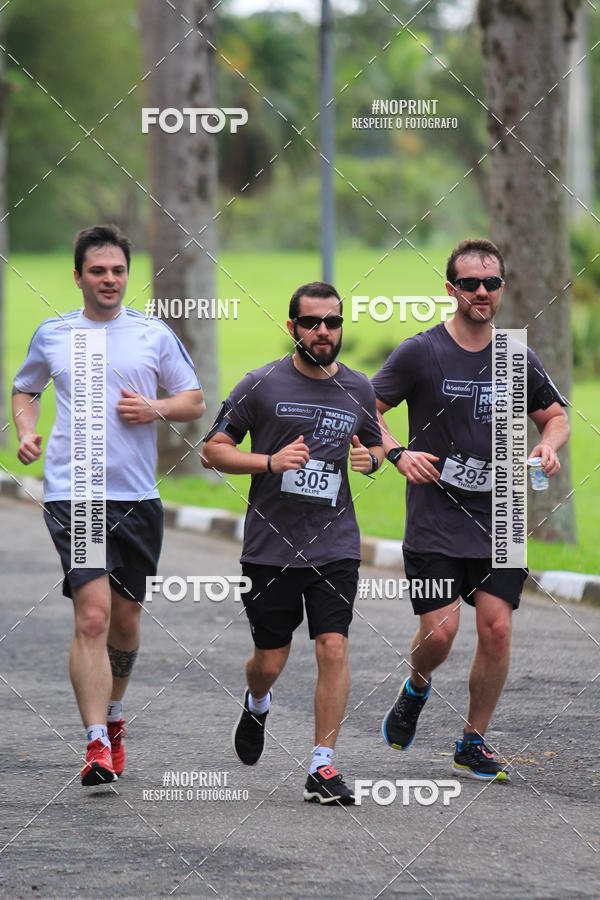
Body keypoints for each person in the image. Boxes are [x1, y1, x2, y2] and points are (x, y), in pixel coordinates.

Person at [12, 224, 205, 785]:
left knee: (125, 619)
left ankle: (115, 717)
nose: (109, 279)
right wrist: (26, 431)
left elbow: (192, 400)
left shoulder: (152, 334)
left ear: (128, 275)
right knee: (92, 615)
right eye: (97, 271)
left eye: (118, 270)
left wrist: (156, 409)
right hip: (79, 494)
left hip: (137, 497)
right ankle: (96, 742)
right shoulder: (54, 333)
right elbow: (25, 388)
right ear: (78, 277)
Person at [373, 238, 569, 781]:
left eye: (491, 283)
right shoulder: (421, 351)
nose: (481, 292)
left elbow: (555, 415)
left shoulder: (516, 356)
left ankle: (472, 740)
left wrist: (548, 443)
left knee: (497, 630)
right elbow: (364, 405)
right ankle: (416, 684)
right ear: (451, 289)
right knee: (439, 635)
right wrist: (396, 452)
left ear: (502, 288)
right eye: (469, 283)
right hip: (435, 514)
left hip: (501, 513)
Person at [202, 281, 383, 805]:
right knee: (270, 658)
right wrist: (269, 463)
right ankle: (257, 701)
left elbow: (373, 445)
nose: (323, 331)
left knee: (334, 646)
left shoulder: (359, 388)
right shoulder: (261, 385)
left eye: (332, 321)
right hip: (270, 549)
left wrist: (370, 461)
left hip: (336, 546)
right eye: (311, 322)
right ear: (293, 328)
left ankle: (321, 766)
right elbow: (212, 451)